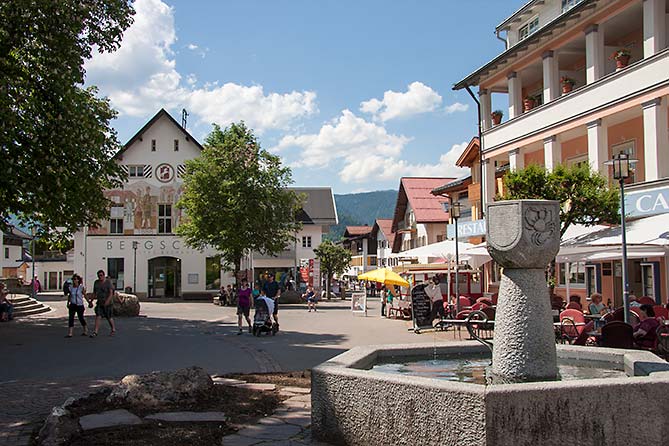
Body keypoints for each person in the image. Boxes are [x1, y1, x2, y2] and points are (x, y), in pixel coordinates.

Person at [90, 269, 116, 337]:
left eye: (101, 275)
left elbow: (111, 293)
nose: (100, 277)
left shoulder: (108, 282)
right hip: (100, 302)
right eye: (98, 276)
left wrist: (107, 301)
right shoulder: (96, 283)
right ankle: (95, 331)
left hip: (108, 303)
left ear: (104, 275)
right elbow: (94, 293)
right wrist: (91, 301)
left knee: (109, 317)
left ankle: (113, 329)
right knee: (98, 316)